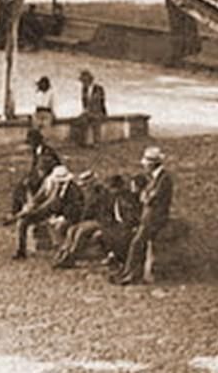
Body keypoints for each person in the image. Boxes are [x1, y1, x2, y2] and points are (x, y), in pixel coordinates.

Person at [111, 146, 174, 285]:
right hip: (149, 217)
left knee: (137, 243)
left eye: (146, 164)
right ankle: (127, 272)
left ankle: (130, 275)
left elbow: (150, 198)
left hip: (156, 218)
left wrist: (145, 196)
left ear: (152, 164)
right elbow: (144, 196)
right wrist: (145, 196)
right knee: (135, 241)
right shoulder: (154, 178)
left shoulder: (164, 178)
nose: (144, 167)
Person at [11, 162, 81, 260]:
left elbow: (52, 204)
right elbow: (40, 197)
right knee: (23, 221)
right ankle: (21, 251)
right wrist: (28, 208)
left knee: (58, 227)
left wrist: (35, 212)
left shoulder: (73, 190)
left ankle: (62, 253)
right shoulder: (50, 183)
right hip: (51, 212)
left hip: (67, 215)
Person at [7, 128, 63, 221]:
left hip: (51, 176)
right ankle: (20, 210)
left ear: (36, 141)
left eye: (31, 143)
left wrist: (35, 178)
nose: (31, 145)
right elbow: (34, 168)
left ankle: (28, 210)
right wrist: (29, 177)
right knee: (21, 186)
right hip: (41, 175)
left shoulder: (46, 152)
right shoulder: (37, 151)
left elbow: (51, 168)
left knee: (28, 187)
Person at [75, 69, 107, 147]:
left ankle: (97, 142)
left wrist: (103, 112)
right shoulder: (84, 90)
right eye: (82, 81)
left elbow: (102, 102)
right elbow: (84, 103)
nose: (83, 83)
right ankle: (83, 141)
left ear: (89, 80)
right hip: (89, 112)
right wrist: (86, 111)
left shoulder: (99, 89)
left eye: (84, 81)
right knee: (81, 121)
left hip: (97, 111)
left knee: (96, 123)